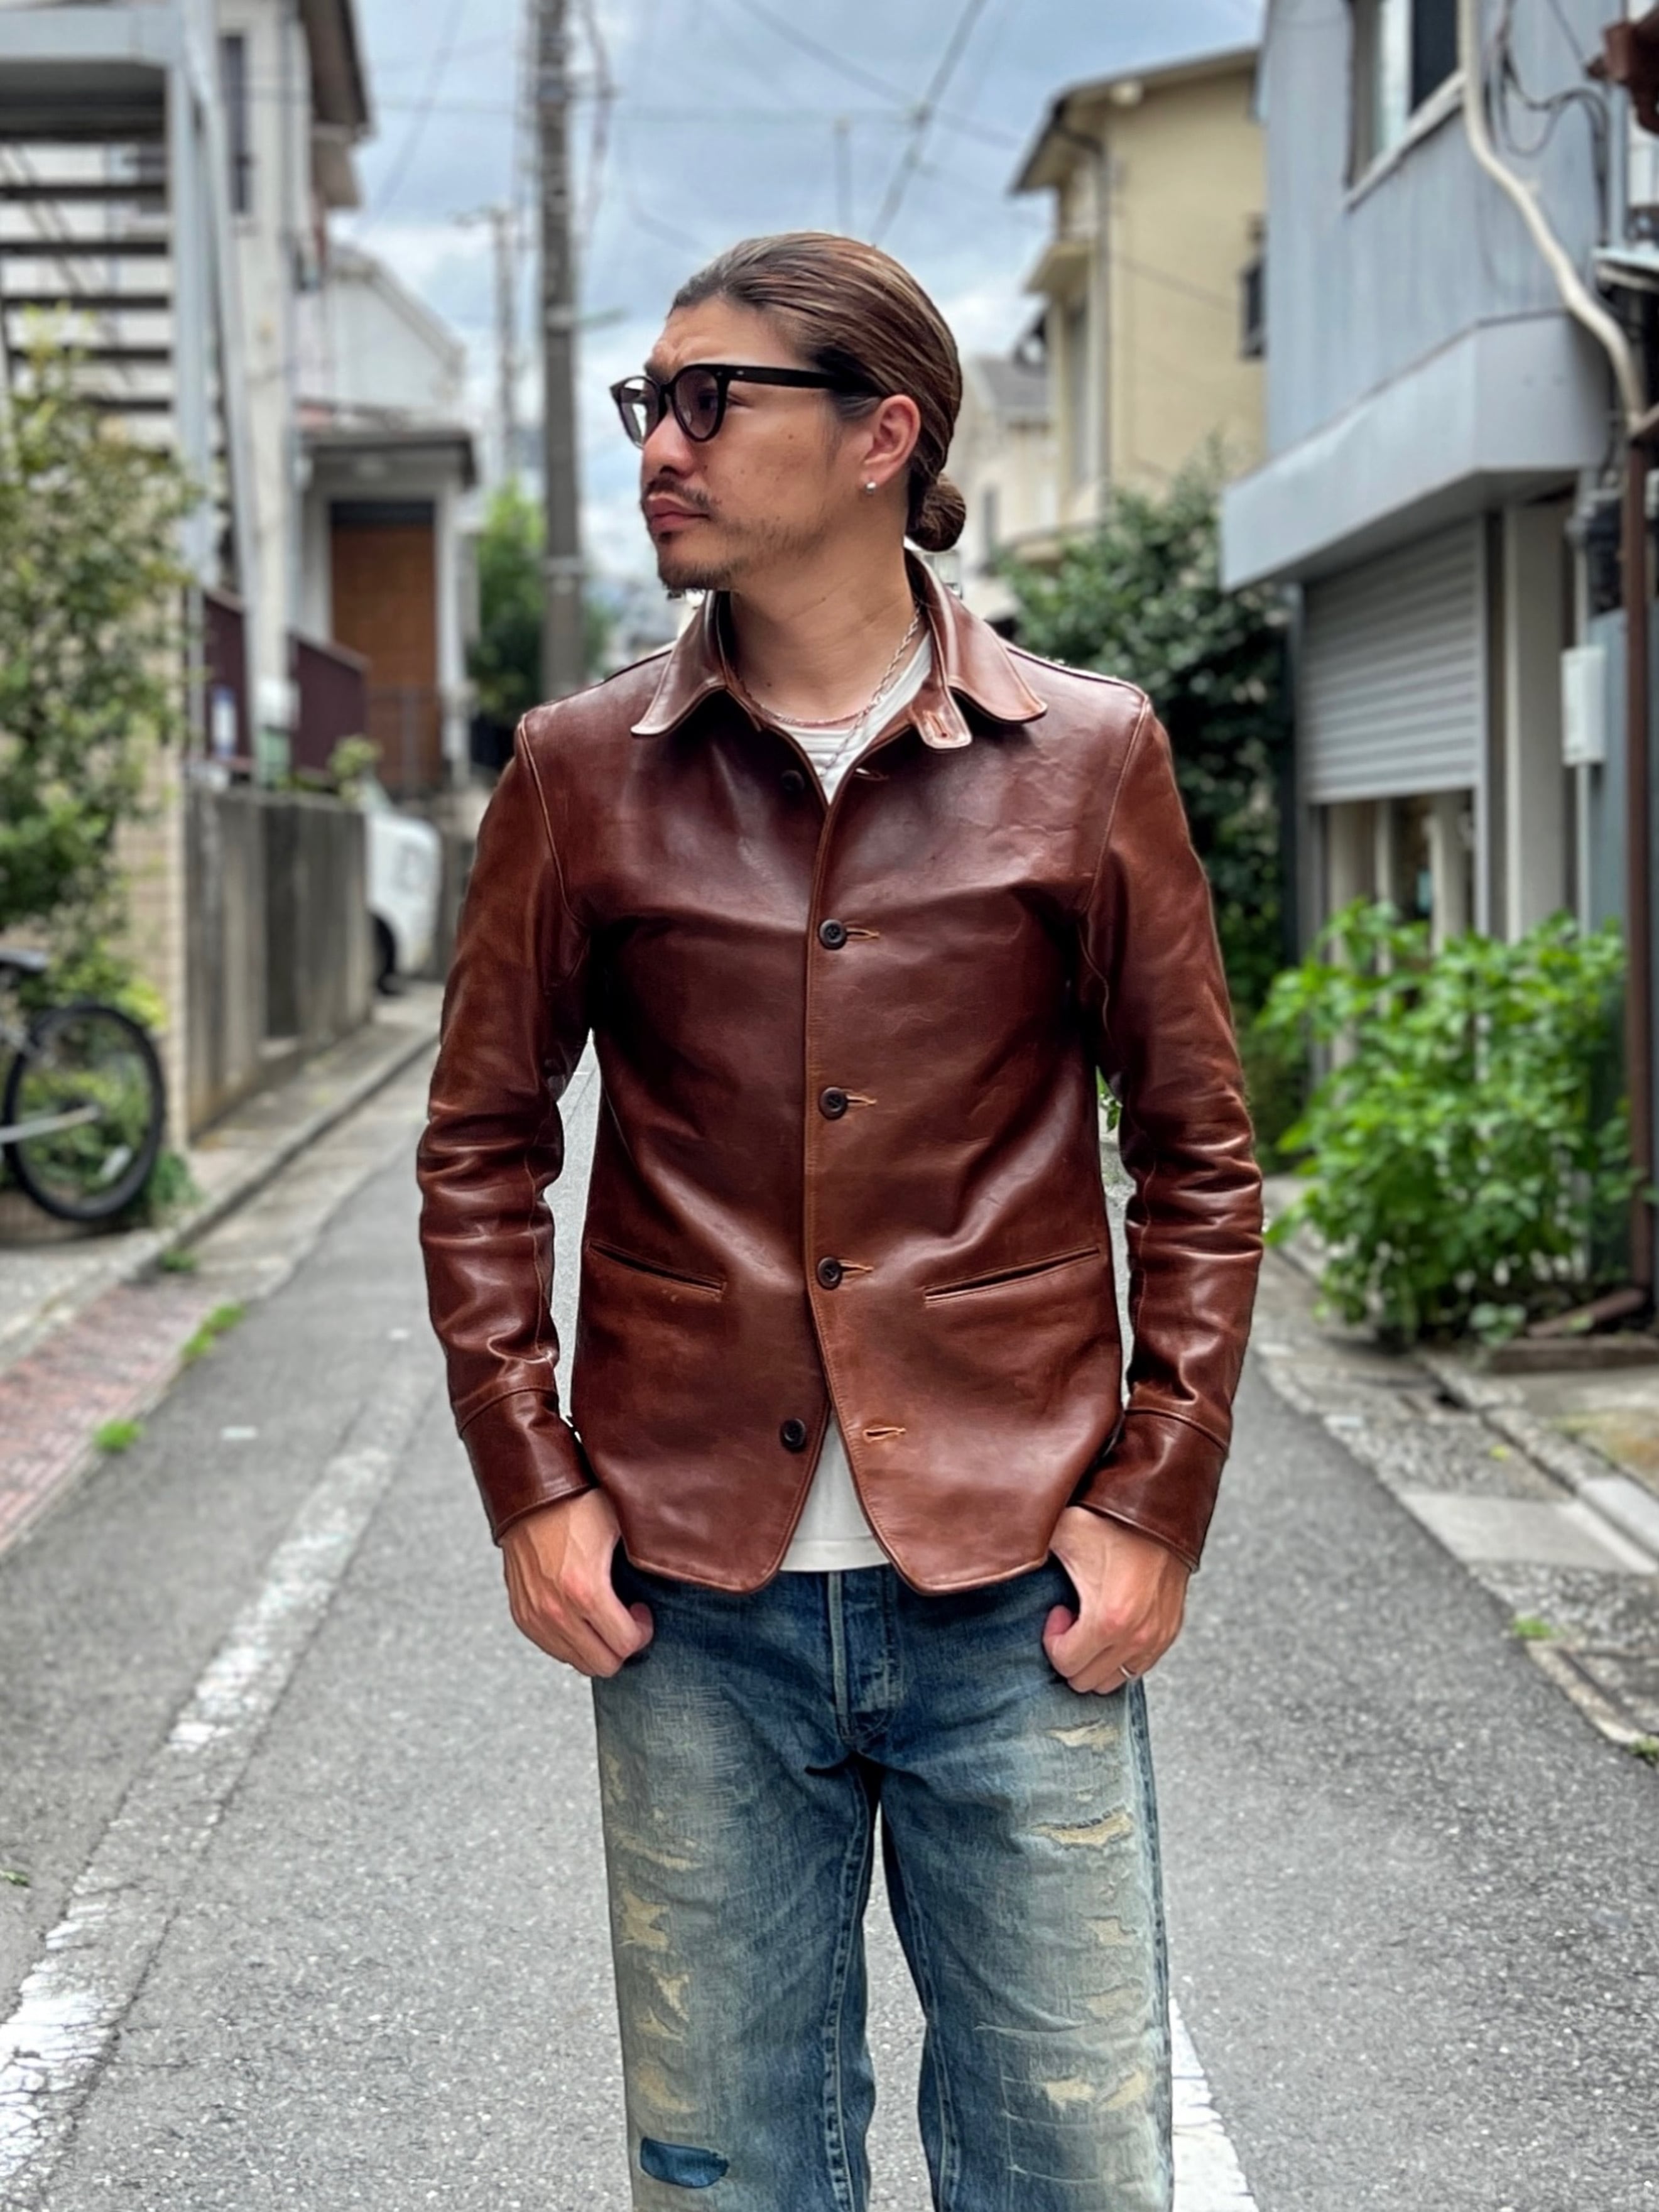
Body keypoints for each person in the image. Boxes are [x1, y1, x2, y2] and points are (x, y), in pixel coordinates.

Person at [416, 231, 1262, 2212]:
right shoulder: (578, 773)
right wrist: (530, 1479)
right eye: (650, 400)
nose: (661, 444)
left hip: (1016, 1585)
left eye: (712, 399)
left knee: (1071, 2165)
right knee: (726, 2170)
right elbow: (480, 1142)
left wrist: (1152, 1502)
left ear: (885, 434)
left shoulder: (1088, 757)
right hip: (689, 1593)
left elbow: (1200, 1155)